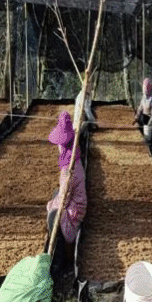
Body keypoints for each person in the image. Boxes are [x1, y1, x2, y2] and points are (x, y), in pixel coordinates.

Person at [46, 111, 87, 271]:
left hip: (75, 208)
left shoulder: (70, 171)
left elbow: (64, 200)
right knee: (56, 195)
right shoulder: (72, 158)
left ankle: (59, 257)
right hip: (74, 200)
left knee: (53, 216)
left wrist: (52, 205)